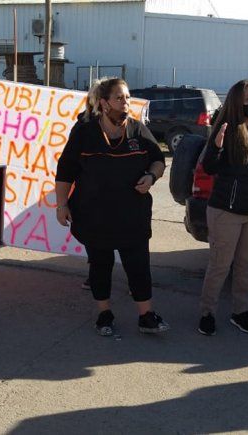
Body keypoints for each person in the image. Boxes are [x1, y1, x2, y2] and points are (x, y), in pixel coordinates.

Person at [55, 77, 169, 336]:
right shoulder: (84, 132)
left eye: (128, 98)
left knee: (138, 266)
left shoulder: (139, 131)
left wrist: (151, 177)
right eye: (120, 98)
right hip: (94, 215)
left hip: (133, 216)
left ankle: (146, 316)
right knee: (100, 265)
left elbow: (158, 160)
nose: (126, 103)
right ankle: (104, 314)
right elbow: (66, 170)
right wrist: (61, 204)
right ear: (104, 104)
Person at [197, 79, 248, 336]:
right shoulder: (228, 131)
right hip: (227, 212)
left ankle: (241, 312)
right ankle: (207, 313)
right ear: (237, 104)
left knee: (246, 265)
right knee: (220, 265)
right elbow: (209, 167)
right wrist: (217, 147)